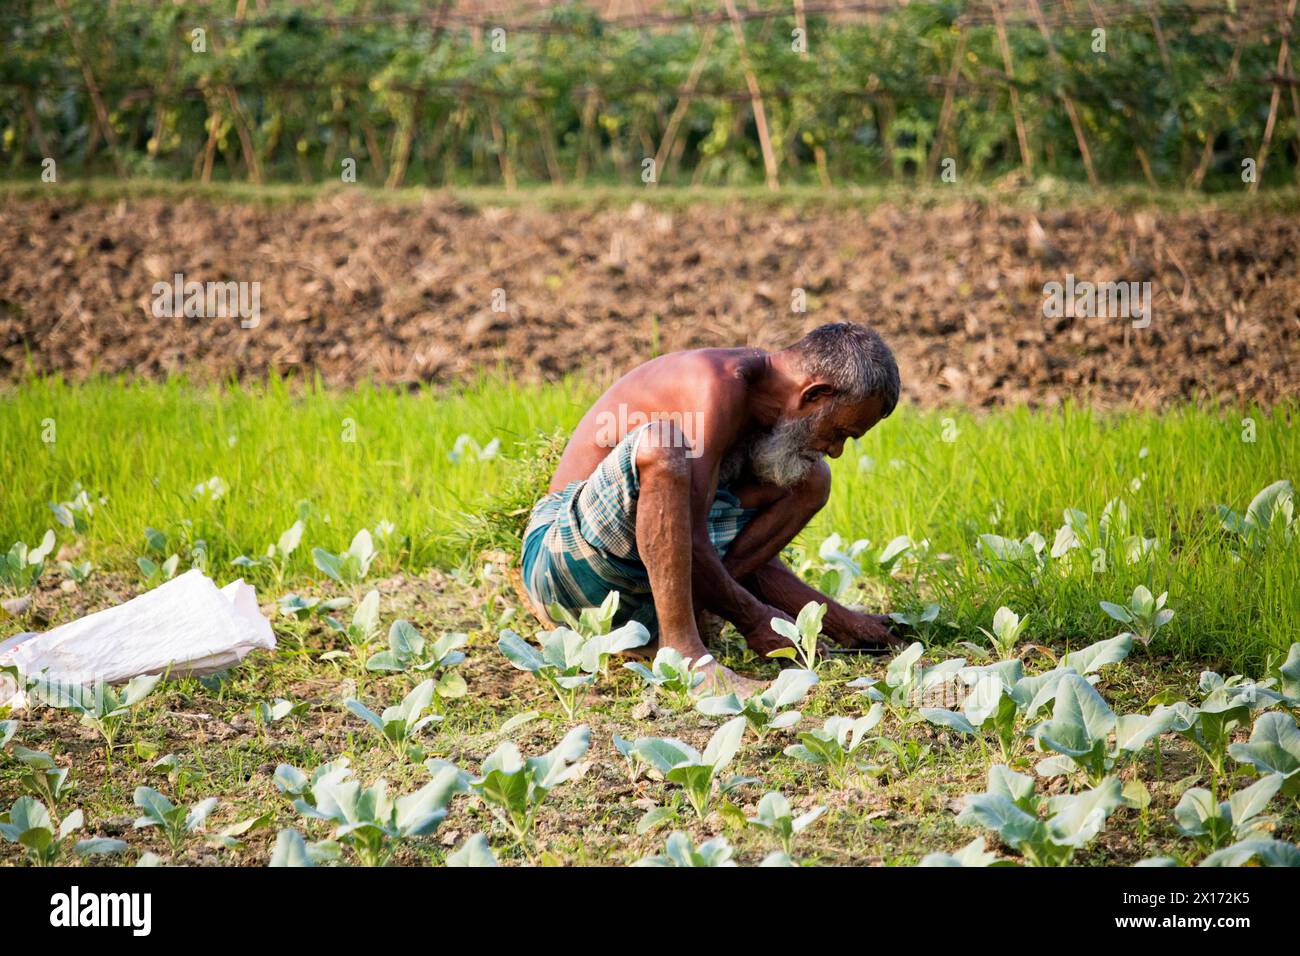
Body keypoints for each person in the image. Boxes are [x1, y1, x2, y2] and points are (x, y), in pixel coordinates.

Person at [520, 322, 902, 692]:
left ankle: (678, 622)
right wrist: (751, 617)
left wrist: (842, 623)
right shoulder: (716, 384)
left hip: (637, 590)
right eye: (839, 434)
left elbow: (726, 551)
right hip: (564, 562)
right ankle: (683, 655)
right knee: (663, 447)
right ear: (814, 394)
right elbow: (690, 533)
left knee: (811, 481)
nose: (835, 450)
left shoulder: (763, 413)